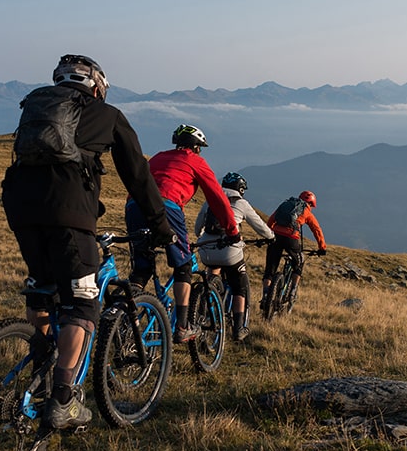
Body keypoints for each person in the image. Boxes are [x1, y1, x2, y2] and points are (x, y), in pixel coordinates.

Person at [1, 54, 174, 431]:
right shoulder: (106, 114)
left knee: (44, 289)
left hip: (19, 210)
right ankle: (64, 401)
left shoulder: (38, 107)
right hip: (68, 217)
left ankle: (43, 363)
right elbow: (139, 177)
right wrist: (160, 226)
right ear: (97, 87)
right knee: (82, 304)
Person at [125, 124, 240, 344]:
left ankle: (124, 317)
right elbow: (217, 197)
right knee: (183, 266)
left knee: (142, 268)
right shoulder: (195, 161)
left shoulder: (158, 157)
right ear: (197, 148)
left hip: (134, 206)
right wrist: (232, 230)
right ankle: (182, 327)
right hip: (167, 207)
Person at [194, 172, 274, 341]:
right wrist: (271, 237)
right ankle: (238, 328)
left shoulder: (210, 200)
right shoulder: (241, 203)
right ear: (241, 189)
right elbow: (260, 225)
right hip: (229, 251)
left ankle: (204, 305)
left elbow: (197, 227)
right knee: (240, 286)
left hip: (206, 250)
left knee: (212, 272)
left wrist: (204, 237)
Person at [261, 190, 327, 308]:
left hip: (275, 236)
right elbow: (316, 230)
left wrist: (269, 234)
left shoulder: (286, 205)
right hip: (291, 239)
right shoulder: (306, 211)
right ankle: (292, 291)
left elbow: (271, 220)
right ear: (311, 203)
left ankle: (266, 295)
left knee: (270, 269)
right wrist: (322, 247)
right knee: (299, 262)